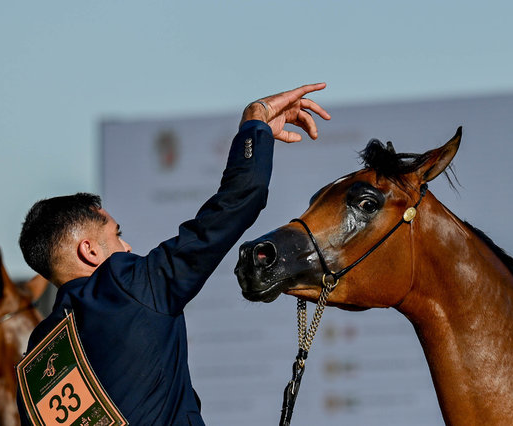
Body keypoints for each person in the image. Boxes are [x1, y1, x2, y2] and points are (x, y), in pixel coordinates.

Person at [16, 83, 330, 425]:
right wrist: (255, 124)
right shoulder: (126, 286)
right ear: (88, 250)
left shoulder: (37, 362)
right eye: (116, 234)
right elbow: (241, 198)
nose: (128, 247)